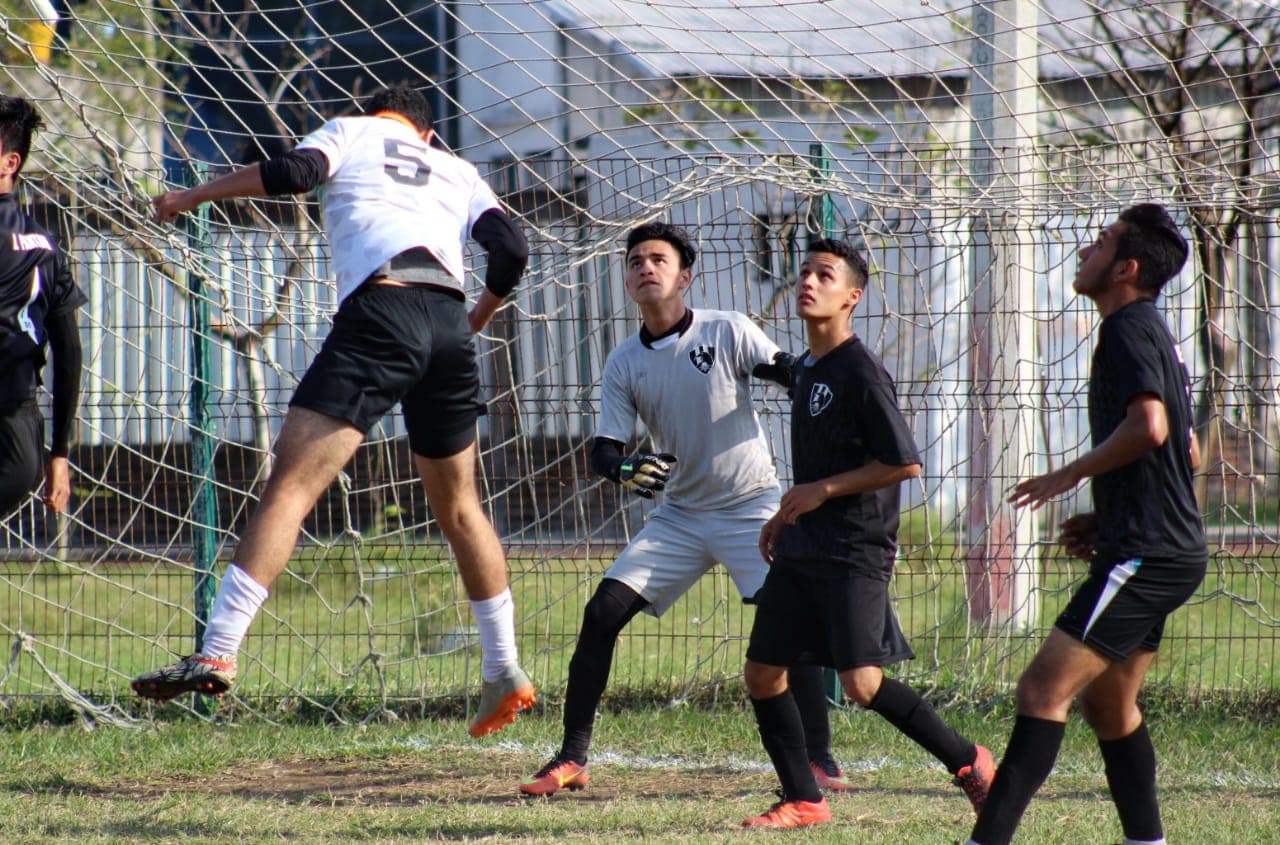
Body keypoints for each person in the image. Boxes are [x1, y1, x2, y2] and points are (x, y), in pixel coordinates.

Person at [131, 86, 537, 738]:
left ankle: (218, 648)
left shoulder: (352, 131)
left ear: (379, 115)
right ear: (427, 134)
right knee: (462, 509)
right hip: (447, 329)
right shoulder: (459, 170)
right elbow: (512, 249)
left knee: (291, 488)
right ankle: (504, 666)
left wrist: (189, 195)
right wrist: (472, 321)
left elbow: (295, 173)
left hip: (382, 312)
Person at [519, 222, 849, 797]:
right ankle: (572, 756)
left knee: (789, 625)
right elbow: (604, 450)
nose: (646, 267)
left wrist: (819, 389)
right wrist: (623, 468)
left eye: (658, 259)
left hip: (751, 508)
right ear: (626, 280)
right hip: (679, 517)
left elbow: (787, 372)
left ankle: (820, 760)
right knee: (601, 615)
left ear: (684, 276)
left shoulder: (728, 329)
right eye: (636, 261)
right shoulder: (624, 361)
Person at [932, 204, 1204, 845]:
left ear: (1126, 268)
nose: (1088, 245)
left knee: (1040, 691)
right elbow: (1189, 452)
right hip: (1153, 546)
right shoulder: (1153, 333)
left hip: (1147, 554)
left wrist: (1068, 476)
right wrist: (1109, 513)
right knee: (1110, 707)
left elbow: (1153, 429)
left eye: (1104, 240)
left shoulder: (1125, 331)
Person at [742, 237, 993, 829]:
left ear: (852, 296)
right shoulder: (808, 369)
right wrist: (787, 513)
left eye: (824, 275)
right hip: (806, 545)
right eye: (803, 271)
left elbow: (903, 462)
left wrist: (821, 493)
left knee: (861, 683)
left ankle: (969, 761)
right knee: (762, 673)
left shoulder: (860, 371)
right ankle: (804, 797)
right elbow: (817, 471)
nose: (808, 281)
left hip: (854, 548)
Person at [0, 95, 83, 520]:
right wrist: (59, 454)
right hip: (21, 439)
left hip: (13, 426)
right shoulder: (45, 244)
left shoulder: (45, 250)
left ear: (9, 163)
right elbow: (70, 352)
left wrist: (60, 453)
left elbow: (68, 350)